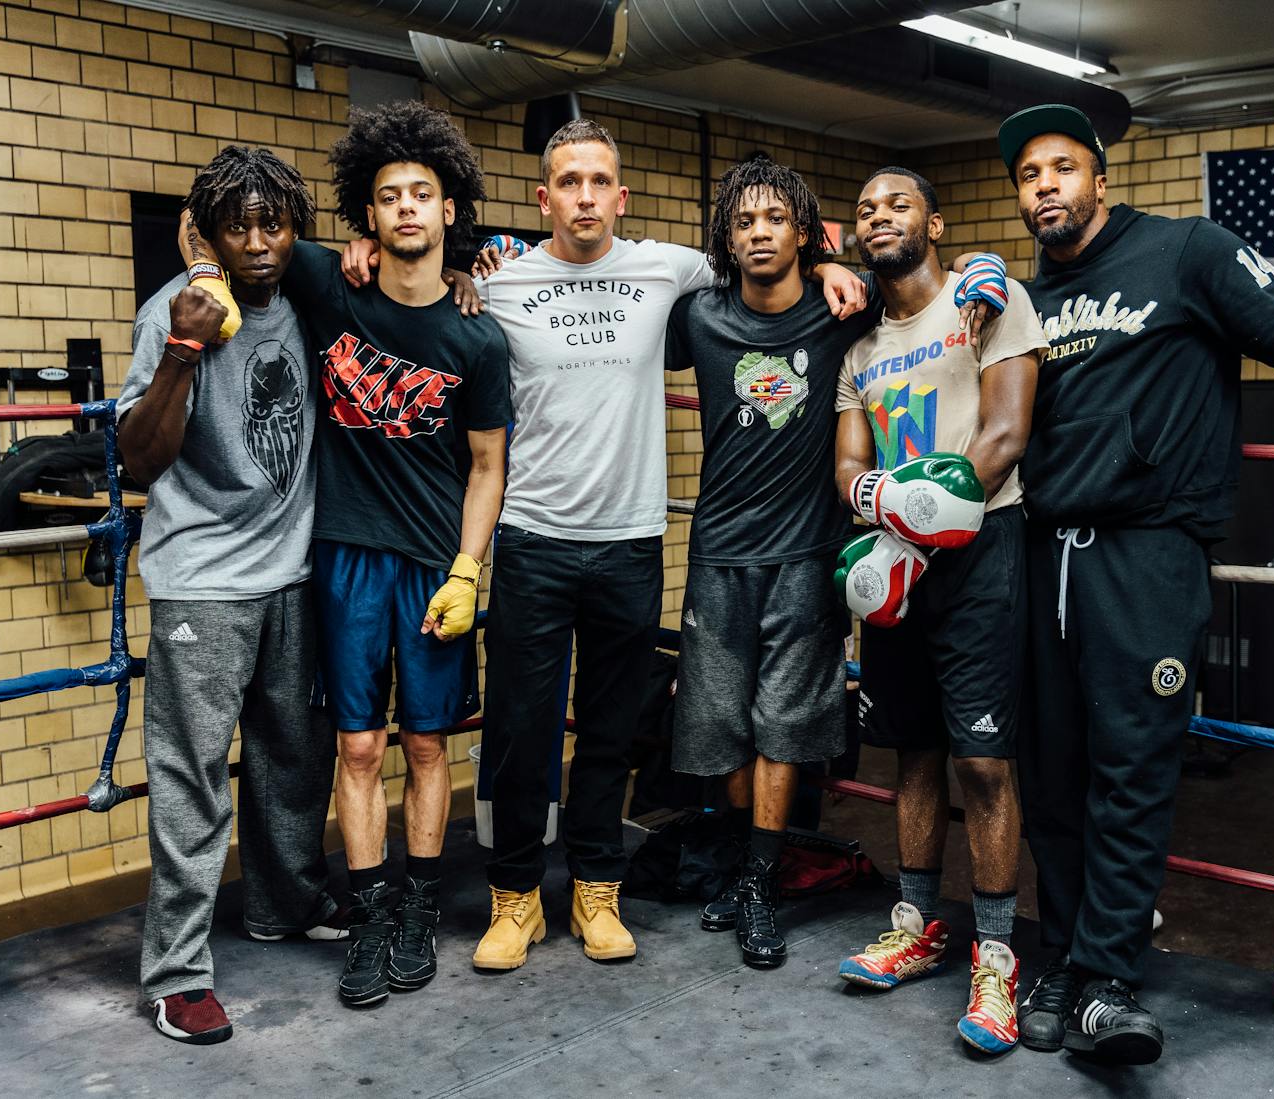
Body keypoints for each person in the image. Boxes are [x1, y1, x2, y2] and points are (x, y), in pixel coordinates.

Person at [344, 119, 868, 970]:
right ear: (543, 197)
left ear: (620, 197)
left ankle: (596, 889)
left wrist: (835, 263)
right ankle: (516, 900)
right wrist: (359, 245)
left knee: (610, 734)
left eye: (599, 182)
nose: (584, 196)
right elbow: (416, 286)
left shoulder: (671, 270)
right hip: (532, 539)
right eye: (568, 182)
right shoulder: (500, 281)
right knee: (519, 731)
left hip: (629, 542)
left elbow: (768, 259)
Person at [991, 104, 1274, 1064]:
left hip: (1148, 553)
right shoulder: (1021, 304)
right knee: (1051, 775)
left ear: (1099, 176)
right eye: (1026, 175)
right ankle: (1063, 958)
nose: (1043, 185)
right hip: (1042, 554)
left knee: (1130, 774)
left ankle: (1107, 978)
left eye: (1061, 166)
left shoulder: (1188, 252)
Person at [185, 101, 512, 1007]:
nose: (406, 208)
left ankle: (417, 908)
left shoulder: (479, 336)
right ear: (365, 218)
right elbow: (202, 220)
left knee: (429, 744)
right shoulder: (329, 282)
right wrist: (208, 271)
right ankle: (368, 915)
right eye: (388, 197)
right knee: (360, 747)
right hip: (346, 557)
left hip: (434, 563)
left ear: (451, 211)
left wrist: (467, 567)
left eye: (423, 194)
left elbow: (489, 466)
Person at [120, 146, 341, 1044]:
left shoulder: (312, 304)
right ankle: (175, 972)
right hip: (199, 581)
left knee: (295, 755)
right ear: (206, 235)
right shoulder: (173, 314)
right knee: (192, 776)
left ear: (294, 230)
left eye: (272, 223)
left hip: (291, 570)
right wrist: (181, 342)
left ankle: (283, 905)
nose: (257, 242)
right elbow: (139, 459)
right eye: (237, 225)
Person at [833, 167, 1046, 1053]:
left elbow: (1003, 434)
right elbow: (849, 465)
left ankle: (996, 955)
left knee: (985, 765)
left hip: (980, 555)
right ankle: (918, 923)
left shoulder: (987, 301)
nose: (880, 215)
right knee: (911, 753)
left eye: (898, 203)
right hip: (897, 562)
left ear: (935, 220)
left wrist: (929, 523)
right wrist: (885, 506)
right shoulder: (858, 352)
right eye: (866, 209)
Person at [665, 156, 884, 969]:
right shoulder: (701, 317)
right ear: (727, 235)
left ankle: (759, 884)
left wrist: (840, 265)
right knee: (721, 731)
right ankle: (737, 863)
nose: (759, 232)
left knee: (784, 729)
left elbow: (915, 275)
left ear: (802, 231)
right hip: (720, 550)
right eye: (744, 220)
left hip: (804, 552)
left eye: (774, 220)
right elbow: (608, 326)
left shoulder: (839, 312)